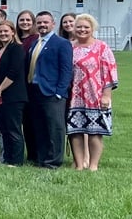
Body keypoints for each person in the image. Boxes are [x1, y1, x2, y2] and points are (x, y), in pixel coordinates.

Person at [67, 14, 117, 171]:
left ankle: (93, 165)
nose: (82, 30)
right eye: (79, 27)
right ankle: (79, 164)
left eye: (86, 27)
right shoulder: (69, 47)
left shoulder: (102, 47)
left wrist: (106, 95)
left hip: (95, 95)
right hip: (73, 97)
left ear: (92, 29)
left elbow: (109, 72)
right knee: (75, 132)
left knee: (95, 132)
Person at [27, 11, 72, 169]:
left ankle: (53, 161)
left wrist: (59, 92)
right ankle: (42, 158)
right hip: (34, 90)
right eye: (39, 23)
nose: (42, 25)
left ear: (53, 24)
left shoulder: (61, 43)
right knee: (40, 127)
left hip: (52, 92)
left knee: (55, 128)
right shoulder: (35, 43)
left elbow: (66, 70)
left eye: (45, 22)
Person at [0, 20, 26, 166]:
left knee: (13, 129)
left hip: (13, 95)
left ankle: (16, 161)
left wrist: (0, 89)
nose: (2, 34)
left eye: (6, 31)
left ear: (13, 32)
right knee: (3, 129)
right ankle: (7, 158)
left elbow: (13, 72)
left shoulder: (16, 48)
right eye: (0, 31)